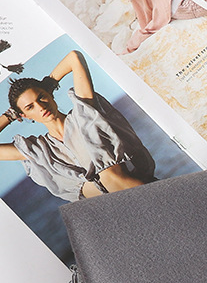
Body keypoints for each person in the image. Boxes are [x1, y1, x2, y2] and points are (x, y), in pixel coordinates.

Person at [0, 50, 156, 202]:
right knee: (102, 180)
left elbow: (74, 57)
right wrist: (10, 115)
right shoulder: (39, 150)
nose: (40, 107)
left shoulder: (83, 114)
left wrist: (49, 83)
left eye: (41, 97)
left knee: (108, 175)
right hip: (114, 204)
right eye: (30, 107)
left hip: (138, 189)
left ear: (50, 94)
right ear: (24, 115)